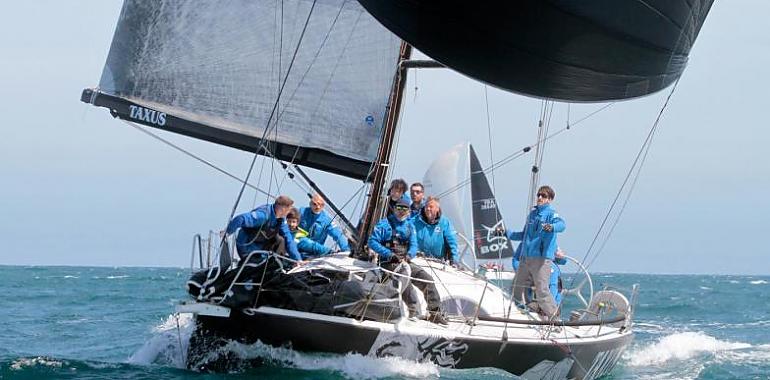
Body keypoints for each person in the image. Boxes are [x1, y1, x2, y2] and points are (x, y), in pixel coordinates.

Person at [368, 198, 447, 324]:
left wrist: (410, 255)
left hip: (405, 261)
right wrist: (388, 254)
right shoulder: (384, 225)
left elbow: (414, 244)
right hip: (389, 262)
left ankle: (434, 313)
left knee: (426, 279)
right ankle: (403, 313)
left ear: (409, 211)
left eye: (404, 209)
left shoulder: (410, 225)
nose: (401, 211)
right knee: (405, 281)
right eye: (398, 208)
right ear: (394, 209)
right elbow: (372, 242)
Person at [501, 185, 565, 318]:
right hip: (526, 258)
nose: (540, 198)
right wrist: (505, 233)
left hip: (541, 259)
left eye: (544, 196)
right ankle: (524, 312)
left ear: (550, 199)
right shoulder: (532, 215)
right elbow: (523, 235)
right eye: (539, 195)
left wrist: (551, 227)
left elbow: (562, 225)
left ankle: (554, 319)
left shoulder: (551, 214)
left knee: (542, 291)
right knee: (516, 288)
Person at [225, 195, 302, 264]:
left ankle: (277, 264)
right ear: (283, 209)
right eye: (288, 209)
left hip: (261, 245)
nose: (289, 212)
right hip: (247, 248)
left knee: (281, 240)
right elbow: (240, 219)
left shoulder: (281, 219)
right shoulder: (263, 215)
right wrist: (227, 232)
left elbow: (288, 238)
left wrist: (298, 259)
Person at [412, 197, 459, 265]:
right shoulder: (415, 221)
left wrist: (454, 261)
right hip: (417, 260)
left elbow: (452, 243)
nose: (428, 209)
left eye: (431, 207)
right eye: (426, 206)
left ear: (437, 209)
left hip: (438, 262)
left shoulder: (445, 223)